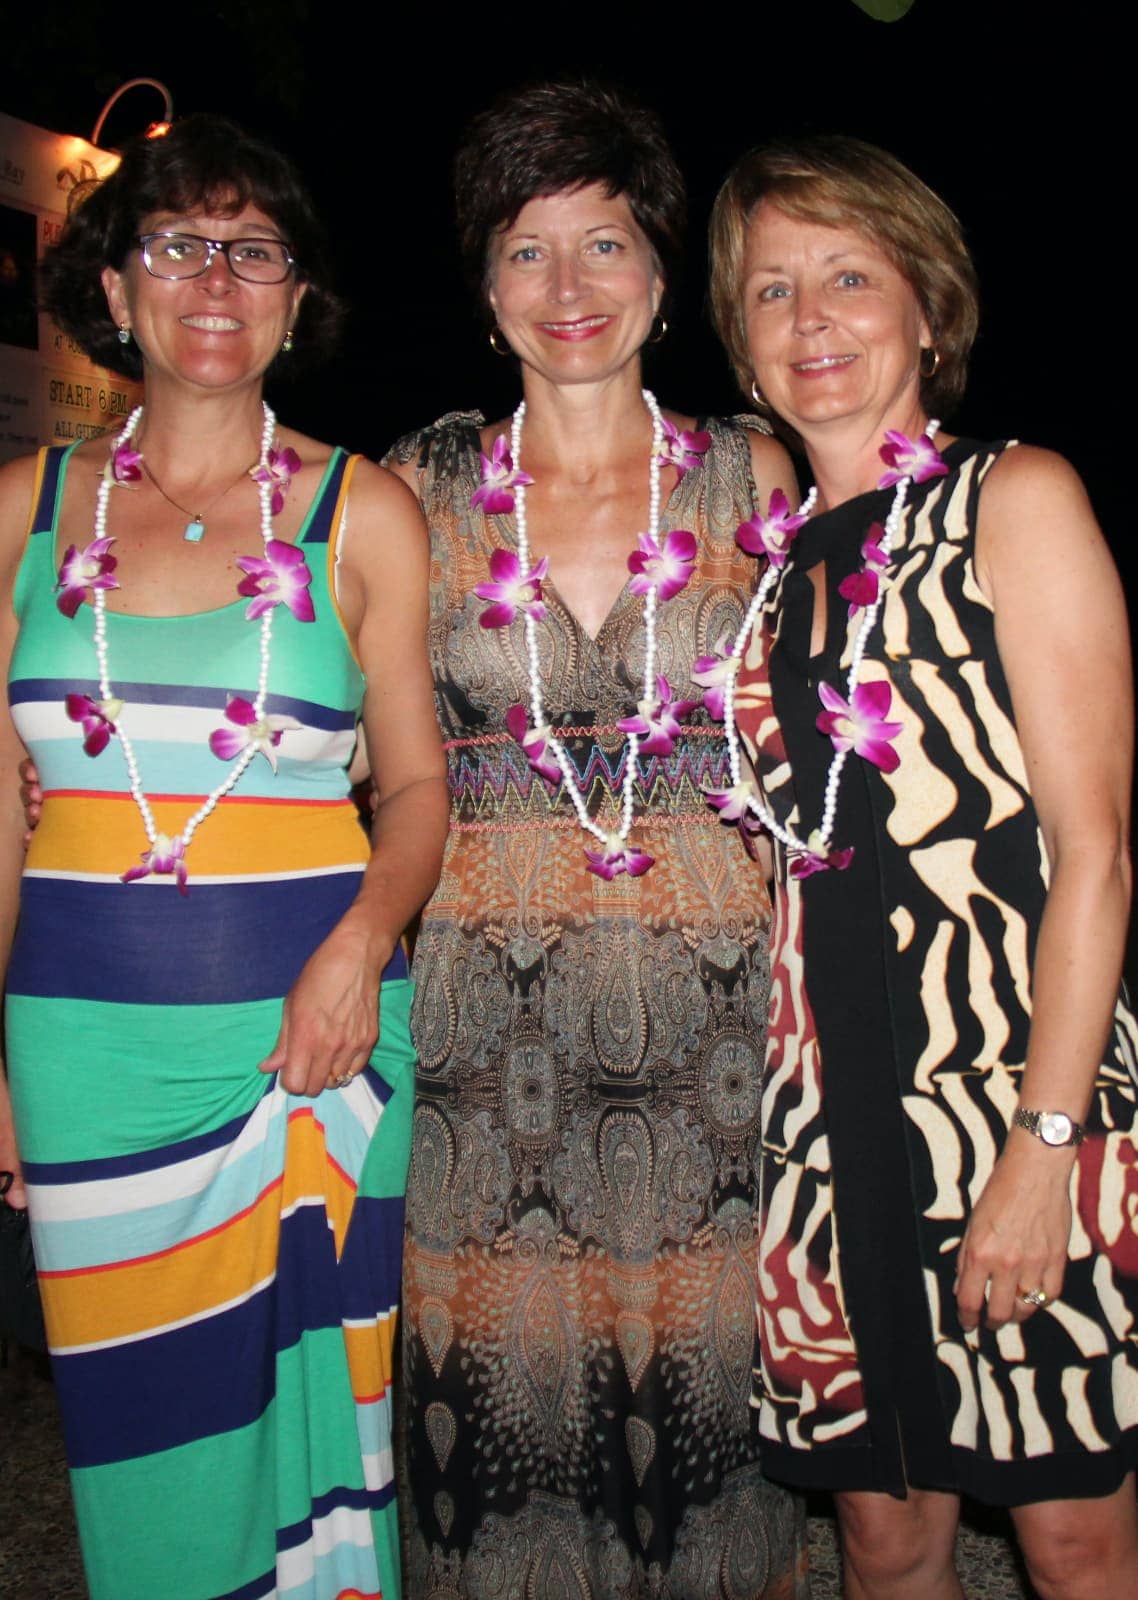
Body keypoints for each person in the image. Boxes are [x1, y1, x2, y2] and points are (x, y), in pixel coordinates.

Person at [0, 115, 447, 1600]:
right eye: (177, 245)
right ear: (115, 292)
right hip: (83, 1049)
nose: (214, 279)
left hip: (314, 1042)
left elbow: (417, 786)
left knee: (323, 1432)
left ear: (297, 299)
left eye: (254, 250)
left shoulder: (365, 509)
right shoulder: (19, 513)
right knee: (140, 1438)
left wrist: (357, 949)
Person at [383, 82, 808, 1597]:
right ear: (485, 287)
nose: (568, 291)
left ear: (659, 275)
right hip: (482, 1019)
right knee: (497, 1383)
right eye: (526, 251)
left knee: (702, 1386)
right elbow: (345, 745)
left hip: (710, 1007)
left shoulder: (752, 475)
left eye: (606, 246)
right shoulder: (412, 488)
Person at [706, 135, 1138, 1599]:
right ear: (743, 343)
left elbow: (1094, 857)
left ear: (925, 311)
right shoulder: (760, 570)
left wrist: (1047, 1149)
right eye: (771, 290)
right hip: (826, 1120)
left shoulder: (1013, 499)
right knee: (885, 1540)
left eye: (846, 278)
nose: (809, 319)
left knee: (1070, 1534)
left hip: (1006, 1092)